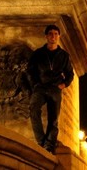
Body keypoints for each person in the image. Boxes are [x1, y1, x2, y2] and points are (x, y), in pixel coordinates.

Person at [27, 24, 74, 154]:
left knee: (53, 119)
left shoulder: (64, 55)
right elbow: (30, 71)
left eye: (55, 34)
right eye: (50, 34)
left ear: (58, 36)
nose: (53, 36)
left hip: (55, 88)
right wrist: (35, 84)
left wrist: (63, 85)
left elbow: (70, 74)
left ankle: (49, 145)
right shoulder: (38, 53)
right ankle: (41, 140)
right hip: (40, 87)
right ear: (46, 36)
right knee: (33, 109)